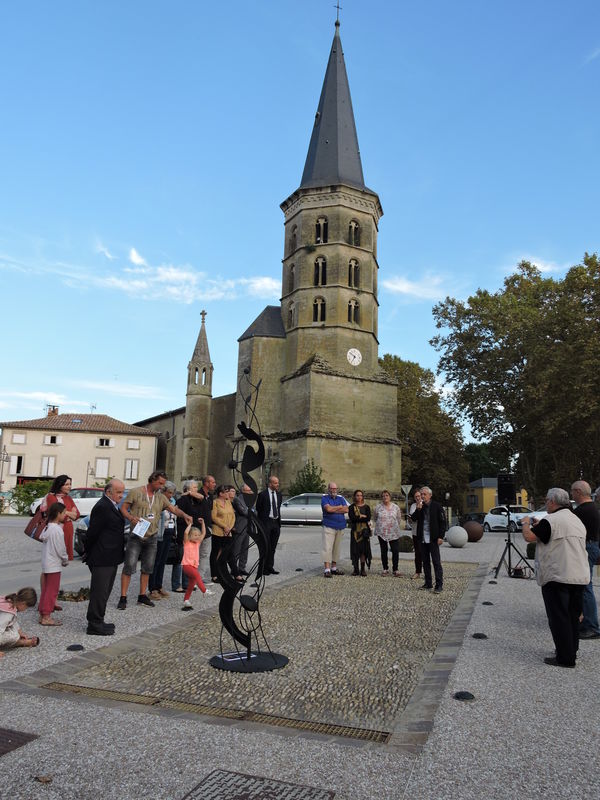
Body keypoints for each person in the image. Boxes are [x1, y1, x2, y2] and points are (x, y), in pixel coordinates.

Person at [522, 487, 589, 668]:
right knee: (573, 617)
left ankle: (564, 658)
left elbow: (529, 537)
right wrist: (539, 525)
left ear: (552, 502)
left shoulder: (551, 520)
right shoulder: (576, 520)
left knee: (559, 618)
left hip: (558, 575)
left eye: (546, 500)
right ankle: (571, 651)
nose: (546, 503)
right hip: (579, 575)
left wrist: (525, 523)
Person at [117, 471, 192, 610]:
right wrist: (130, 517)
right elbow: (123, 508)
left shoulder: (160, 497)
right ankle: (123, 597)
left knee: (148, 567)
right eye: (160, 483)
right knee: (129, 566)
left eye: (163, 484)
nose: (162, 486)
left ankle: (142, 595)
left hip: (152, 536)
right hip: (136, 535)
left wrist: (185, 515)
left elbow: (173, 509)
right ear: (152, 480)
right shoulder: (136, 492)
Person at [84, 479, 126, 636]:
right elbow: (92, 533)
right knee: (99, 592)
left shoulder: (111, 505)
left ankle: (99, 620)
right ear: (109, 492)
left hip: (110, 556)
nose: (121, 495)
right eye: (119, 492)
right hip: (102, 556)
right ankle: (94, 624)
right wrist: (89, 552)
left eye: (122, 492)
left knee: (105, 591)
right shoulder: (103, 506)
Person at [570, 480, 600, 640]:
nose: (571, 495)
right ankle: (587, 621)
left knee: (586, 586)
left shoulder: (584, 510)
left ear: (578, 492)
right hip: (591, 546)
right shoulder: (591, 508)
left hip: (587, 548)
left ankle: (592, 626)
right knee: (584, 585)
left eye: (572, 492)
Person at [174, 477, 214, 593]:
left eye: (196, 487)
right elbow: (177, 512)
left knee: (195, 557)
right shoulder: (183, 499)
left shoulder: (197, 498)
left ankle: (190, 581)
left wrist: (191, 492)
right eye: (194, 487)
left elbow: (201, 497)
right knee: (183, 558)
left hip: (197, 532)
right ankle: (179, 583)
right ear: (187, 488)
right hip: (186, 531)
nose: (197, 490)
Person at [39, 502, 69, 626]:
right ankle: (46, 616)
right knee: (52, 590)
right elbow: (60, 548)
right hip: (54, 564)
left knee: (46, 589)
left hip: (46, 563)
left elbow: (41, 537)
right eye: (64, 513)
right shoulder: (57, 530)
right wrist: (65, 559)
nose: (65, 515)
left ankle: (43, 611)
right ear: (58, 514)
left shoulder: (47, 527)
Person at [410, 486, 445, 593]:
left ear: (430, 495)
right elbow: (413, 519)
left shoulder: (437, 506)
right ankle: (428, 583)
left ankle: (439, 584)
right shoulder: (420, 507)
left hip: (434, 538)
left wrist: (441, 536)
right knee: (425, 562)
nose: (422, 496)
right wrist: (418, 509)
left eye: (424, 494)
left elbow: (443, 522)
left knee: (436, 562)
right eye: (421, 494)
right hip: (423, 538)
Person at [148, 481, 177, 601]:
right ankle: (152, 588)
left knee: (163, 560)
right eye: (169, 492)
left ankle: (159, 586)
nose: (171, 495)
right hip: (160, 533)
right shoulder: (158, 501)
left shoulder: (172, 502)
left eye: (172, 493)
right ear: (163, 491)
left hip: (169, 533)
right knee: (156, 561)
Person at [41, 474, 79, 561]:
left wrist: (65, 512)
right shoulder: (51, 497)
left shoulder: (68, 498)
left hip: (68, 530)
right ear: (59, 485)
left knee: (62, 560)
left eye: (70, 484)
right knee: (54, 559)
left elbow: (77, 515)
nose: (69, 487)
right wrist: (70, 513)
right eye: (66, 484)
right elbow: (57, 515)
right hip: (56, 530)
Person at [210, 484, 240, 582]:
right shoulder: (215, 502)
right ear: (221, 494)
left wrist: (229, 527)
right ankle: (215, 575)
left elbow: (232, 516)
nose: (229, 493)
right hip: (218, 531)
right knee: (216, 552)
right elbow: (214, 517)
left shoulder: (228, 503)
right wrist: (224, 526)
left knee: (229, 553)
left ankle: (235, 574)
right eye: (226, 492)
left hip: (228, 532)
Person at [321, 482, 349, 578]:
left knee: (337, 548)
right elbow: (328, 509)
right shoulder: (325, 498)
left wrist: (334, 509)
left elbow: (346, 510)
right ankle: (327, 569)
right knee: (327, 548)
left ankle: (333, 568)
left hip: (340, 526)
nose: (334, 490)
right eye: (332, 488)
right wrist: (339, 507)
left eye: (335, 488)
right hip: (329, 526)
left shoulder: (341, 498)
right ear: (328, 489)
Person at [373, 490, 404, 576]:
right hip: (381, 532)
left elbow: (398, 519)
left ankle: (395, 569)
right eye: (383, 496)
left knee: (395, 550)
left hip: (393, 532)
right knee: (384, 551)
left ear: (390, 497)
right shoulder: (378, 507)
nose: (385, 497)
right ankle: (385, 568)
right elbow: (375, 518)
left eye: (387, 495)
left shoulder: (396, 507)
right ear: (381, 497)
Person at [0, 588, 39, 656]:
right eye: (26, 608)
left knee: (15, 632)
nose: (25, 610)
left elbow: (13, 621)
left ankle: (19, 641)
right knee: (14, 636)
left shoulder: (9, 600)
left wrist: (20, 632)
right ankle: (19, 642)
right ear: (23, 604)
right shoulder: (8, 613)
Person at [256, 476, 282, 576]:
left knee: (273, 547)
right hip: (266, 523)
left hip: (276, 523)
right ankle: (263, 568)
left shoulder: (279, 495)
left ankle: (270, 566)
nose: (277, 485)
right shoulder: (262, 495)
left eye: (277, 483)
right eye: (275, 483)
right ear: (270, 484)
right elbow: (259, 508)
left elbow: (278, 507)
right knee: (265, 546)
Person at [181, 520, 207, 610]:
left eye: (198, 535)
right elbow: (185, 532)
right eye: (194, 535)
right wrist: (190, 524)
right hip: (186, 565)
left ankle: (186, 600)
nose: (197, 537)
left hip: (194, 566)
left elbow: (204, 533)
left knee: (191, 586)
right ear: (190, 536)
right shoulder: (187, 543)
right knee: (197, 576)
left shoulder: (197, 543)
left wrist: (203, 523)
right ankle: (204, 590)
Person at [348, 489, 372, 576]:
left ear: (362, 497)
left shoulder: (366, 507)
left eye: (360, 495)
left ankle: (363, 569)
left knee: (363, 551)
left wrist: (358, 517)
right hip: (355, 532)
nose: (359, 497)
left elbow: (368, 518)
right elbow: (352, 519)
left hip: (364, 533)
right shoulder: (351, 507)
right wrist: (361, 516)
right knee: (355, 551)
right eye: (357, 495)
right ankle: (355, 569)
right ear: (354, 496)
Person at [232, 484, 254, 577]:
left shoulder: (251, 500)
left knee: (245, 549)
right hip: (239, 527)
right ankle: (234, 569)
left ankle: (242, 568)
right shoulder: (237, 499)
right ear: (243, 491)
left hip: (248, 527)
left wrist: (250, 510)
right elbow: (244, 512)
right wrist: (250, 511)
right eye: (249, 491)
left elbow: (255, 511)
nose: (251, 492)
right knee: (236, 549)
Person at [408, 489, 423, 580]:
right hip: (415, 532)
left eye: (419, 496)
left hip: (424, 532)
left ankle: (427, 572)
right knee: (417, 553)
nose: (418, 498)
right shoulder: (413, 506)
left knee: (425, 553)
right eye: (416, 497)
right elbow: (413, 518)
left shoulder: (425, 504)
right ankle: (417, 572)